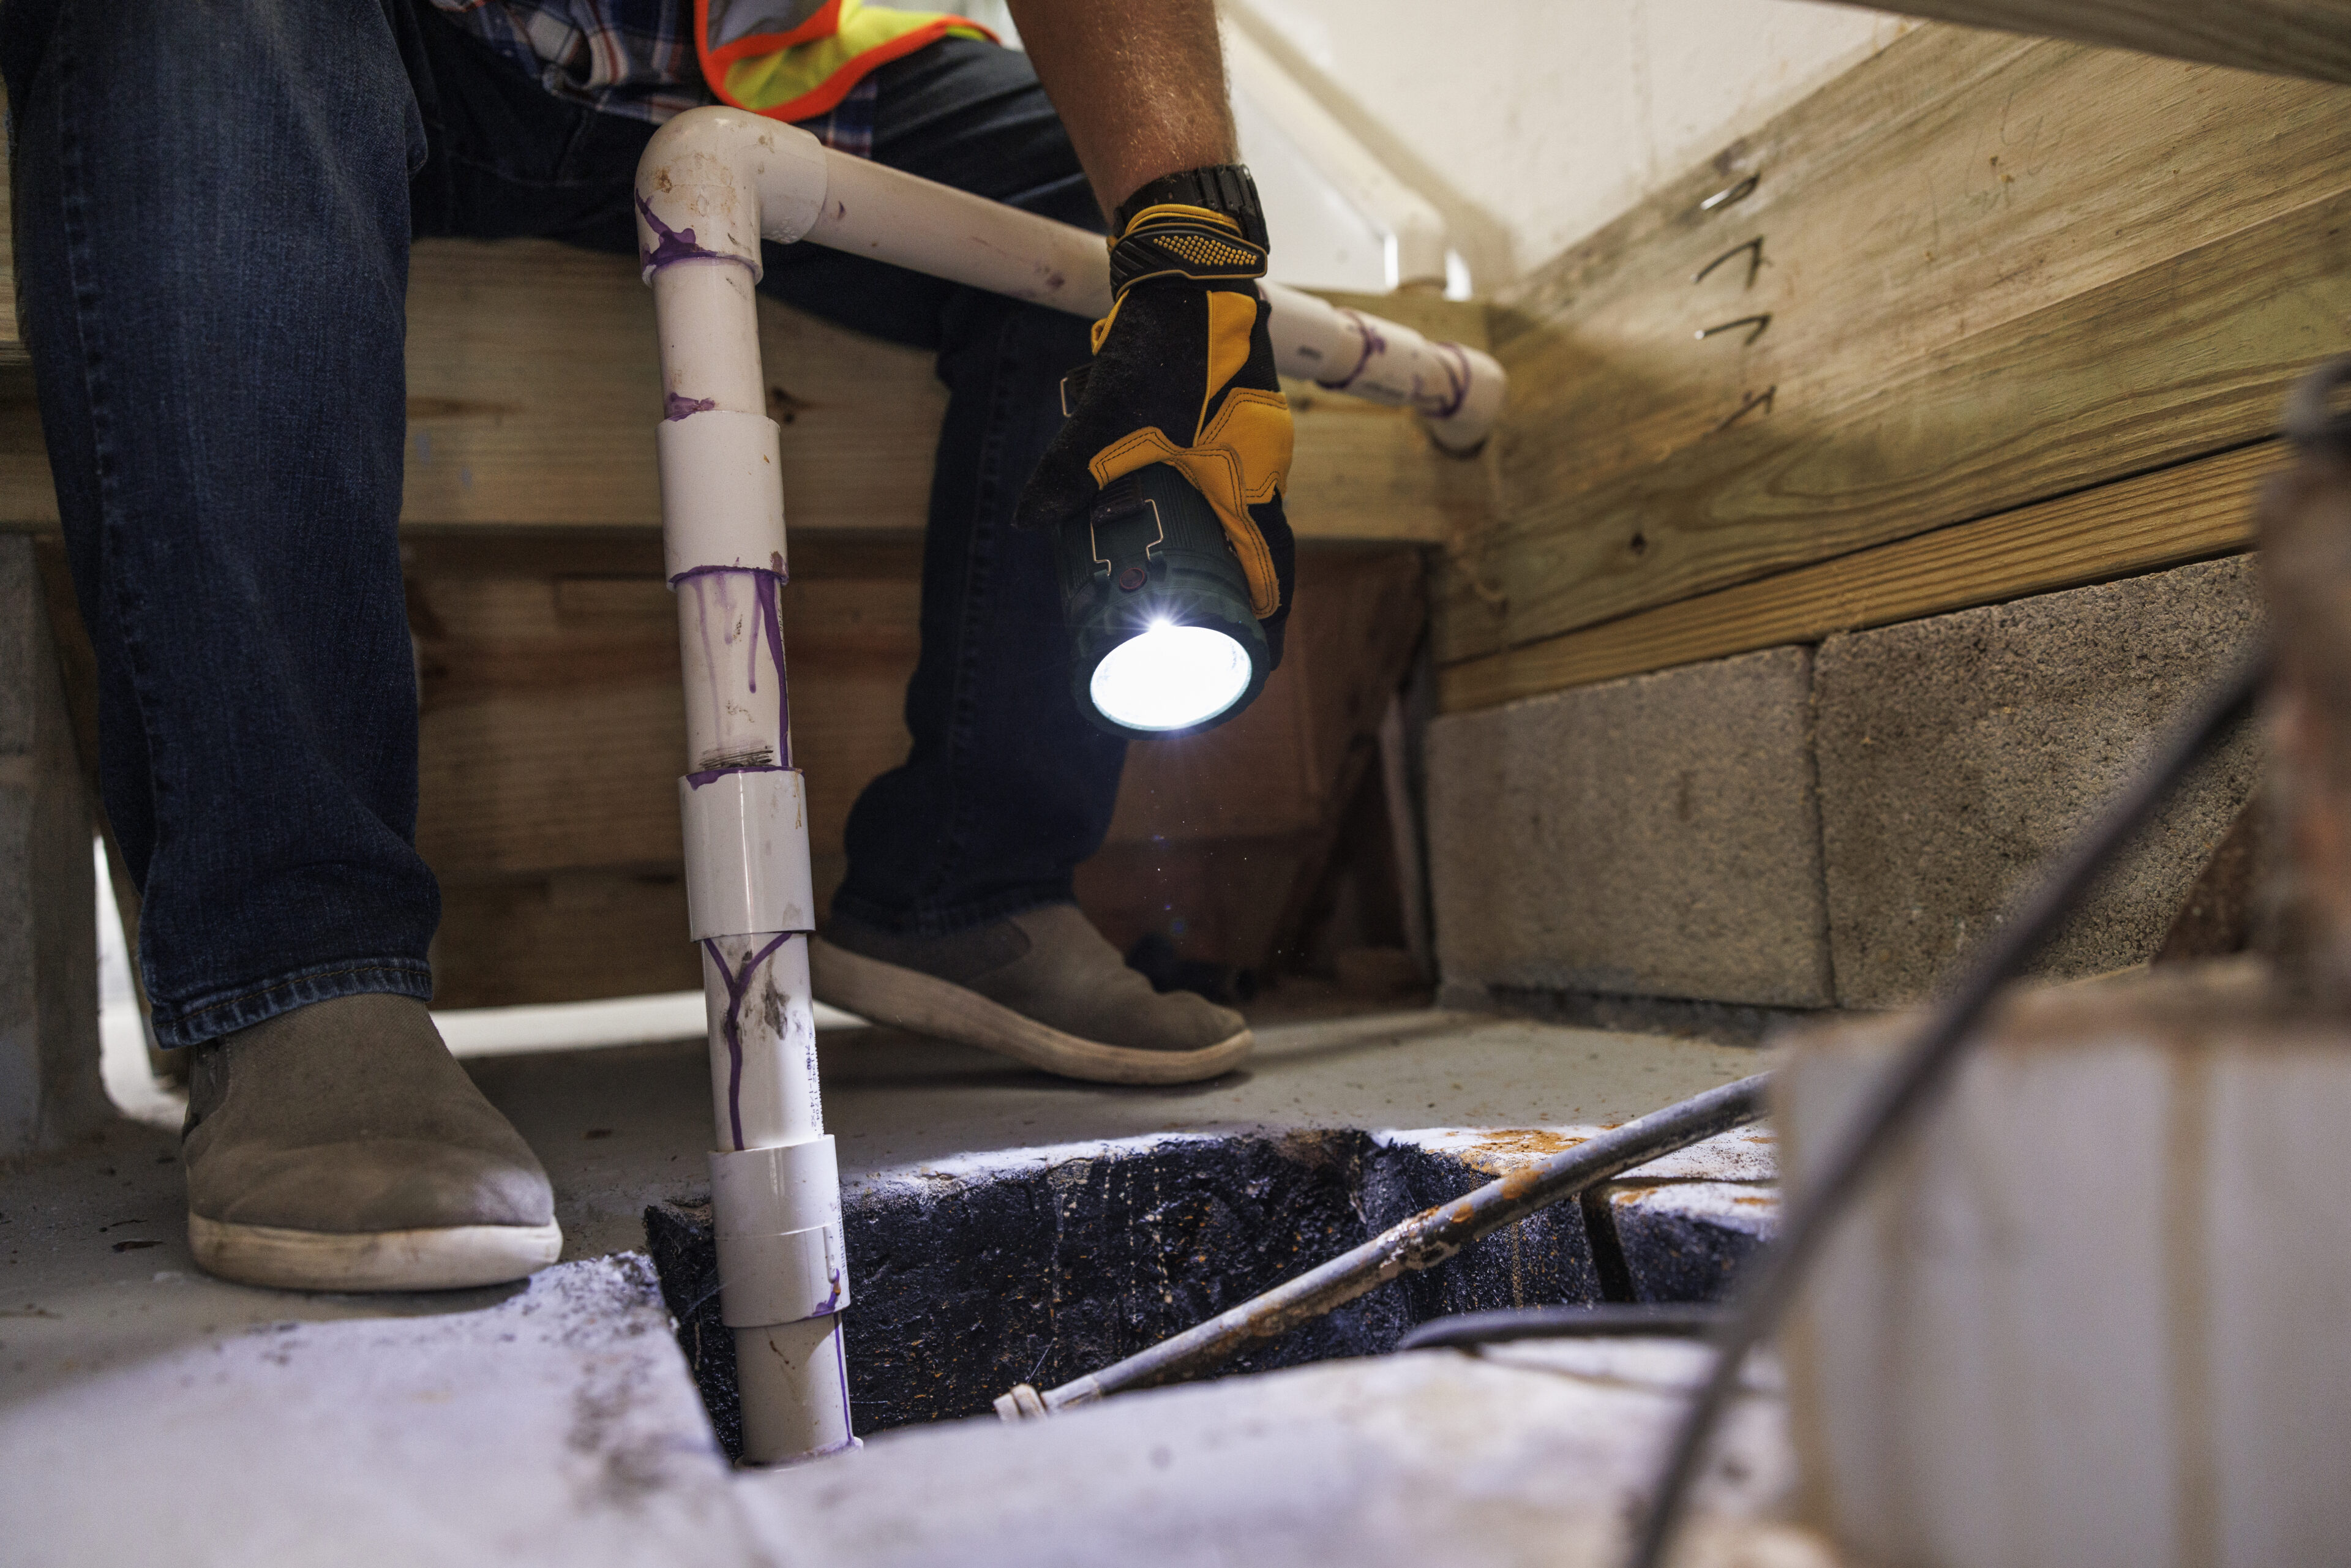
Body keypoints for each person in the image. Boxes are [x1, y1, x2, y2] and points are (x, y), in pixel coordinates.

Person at [0, 0, 1294, 1292]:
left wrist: (1195, 248)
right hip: (371, 31)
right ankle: (295, 966)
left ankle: (969, 885)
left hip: (729, 52)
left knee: (1101, 196)